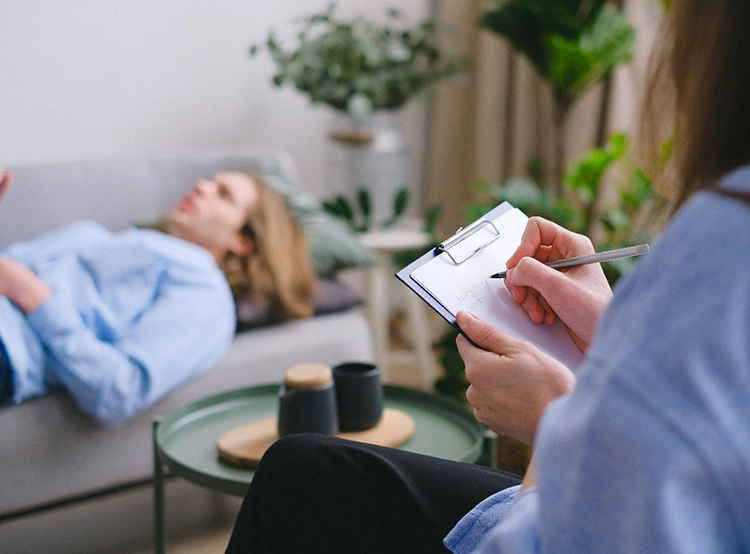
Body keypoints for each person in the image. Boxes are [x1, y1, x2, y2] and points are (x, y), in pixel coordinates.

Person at [223, 1, 750, 552]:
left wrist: (555, 420)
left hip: (551, 512)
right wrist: (616, 335)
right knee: (300, 464)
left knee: (299, 478)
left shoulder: (719, 245)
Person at [0, 164, 315, 425]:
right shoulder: (104, 236)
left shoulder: (202, 291)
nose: (201, 186)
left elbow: (118, 391)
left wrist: (35, 297)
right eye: (210, 181)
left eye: (223, 195)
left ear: (243, 242)